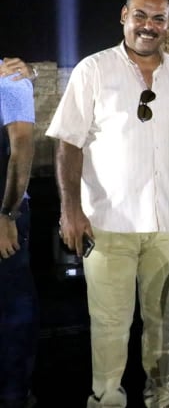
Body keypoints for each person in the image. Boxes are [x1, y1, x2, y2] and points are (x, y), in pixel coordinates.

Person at [45, 0, 169, 408]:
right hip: (107, 225)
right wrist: (70, 210)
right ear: (124, 16)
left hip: (168, 224)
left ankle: (163, 399)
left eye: (159, 18)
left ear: (168, 24)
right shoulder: (93, 70)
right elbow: (67, 143)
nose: (148, 25)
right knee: (109, 326)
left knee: (164, 324)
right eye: (140, 15)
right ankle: (107, 400)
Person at [0, 58, 36, 408]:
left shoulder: (8, 79)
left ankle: (14, 394)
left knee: (11, 309)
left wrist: (7, 213)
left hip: (2, 214)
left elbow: (22, 145)